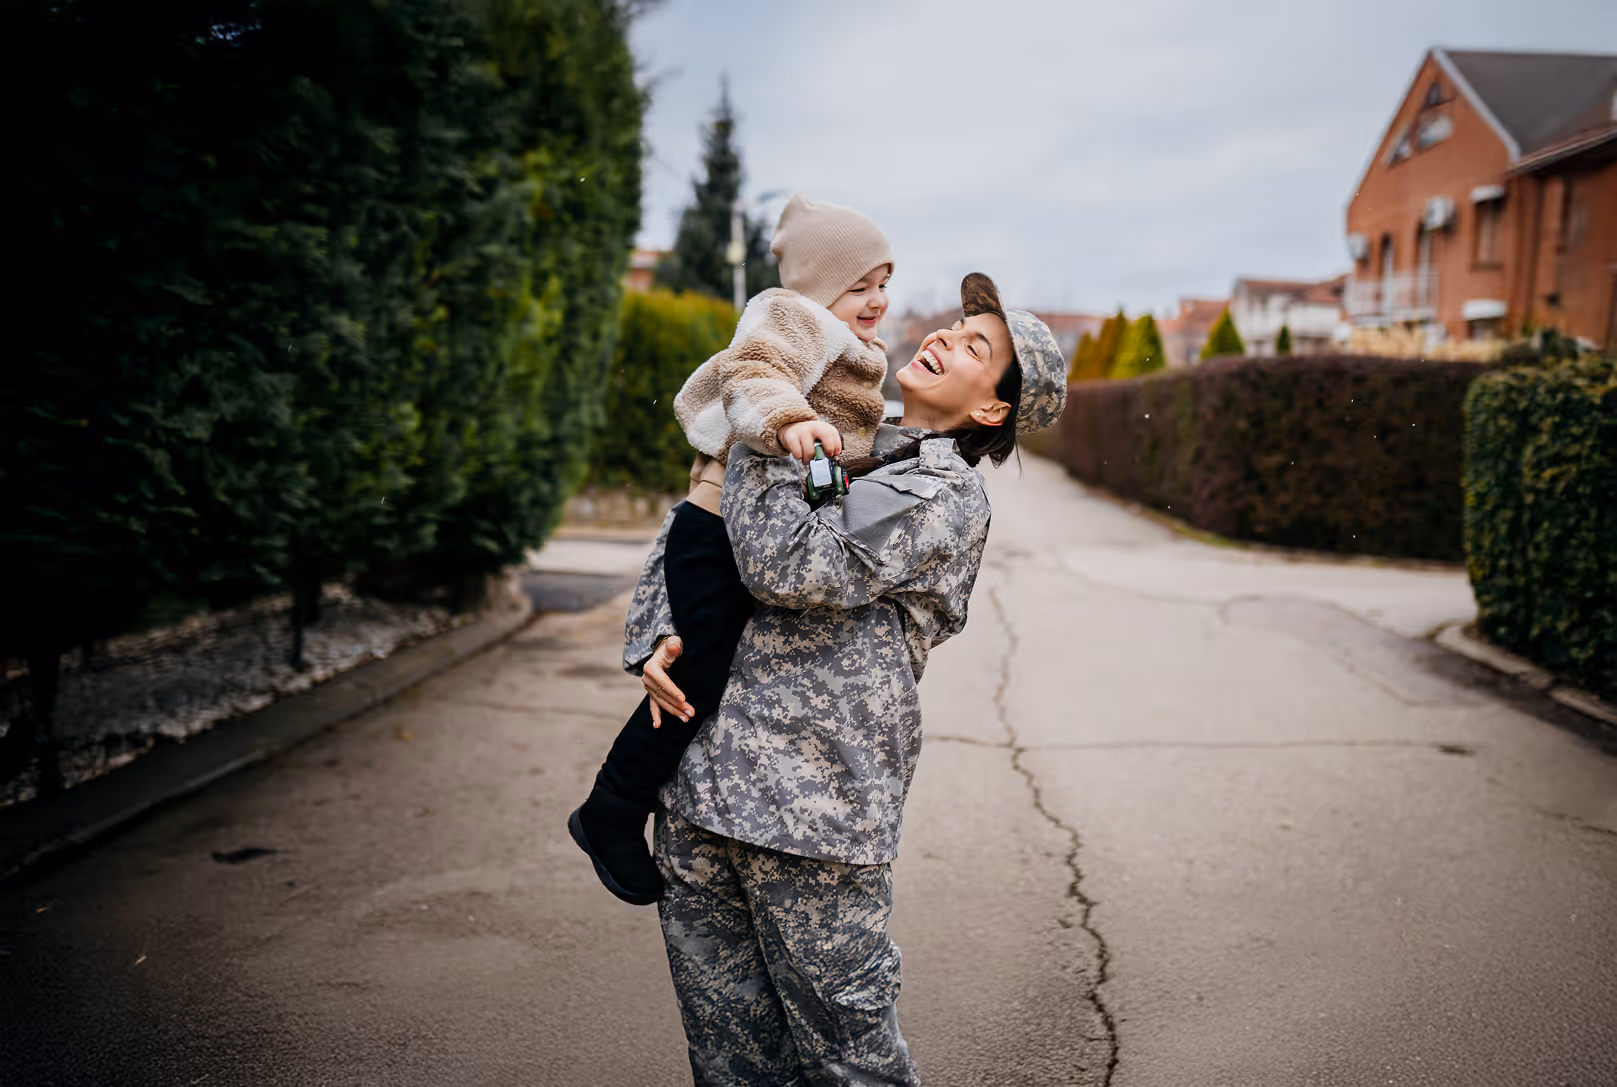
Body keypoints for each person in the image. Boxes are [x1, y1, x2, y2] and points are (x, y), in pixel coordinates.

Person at [628, 273, 1067, 1084]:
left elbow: (791, 566)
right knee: (729, 1061)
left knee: (848, 1064)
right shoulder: (837, 432)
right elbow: (700, 516)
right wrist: (656, 629)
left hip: (814, 822)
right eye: (955, 325)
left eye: (977, 346)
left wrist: (768, 412)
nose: (944, 337)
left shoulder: (943, 494)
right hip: (699, 790)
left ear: (992, 410)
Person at [569, 194, 897, 905]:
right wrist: (791, 421)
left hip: (748, 528)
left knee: (717, 663)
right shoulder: (790, 316)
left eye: (884, 282)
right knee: (702, 668)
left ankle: (639, 796)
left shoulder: (850, 341)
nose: (877, 300)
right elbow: (752, 373)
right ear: (815, 283)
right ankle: (613, 805)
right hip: (714, 527)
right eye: (859, 285)